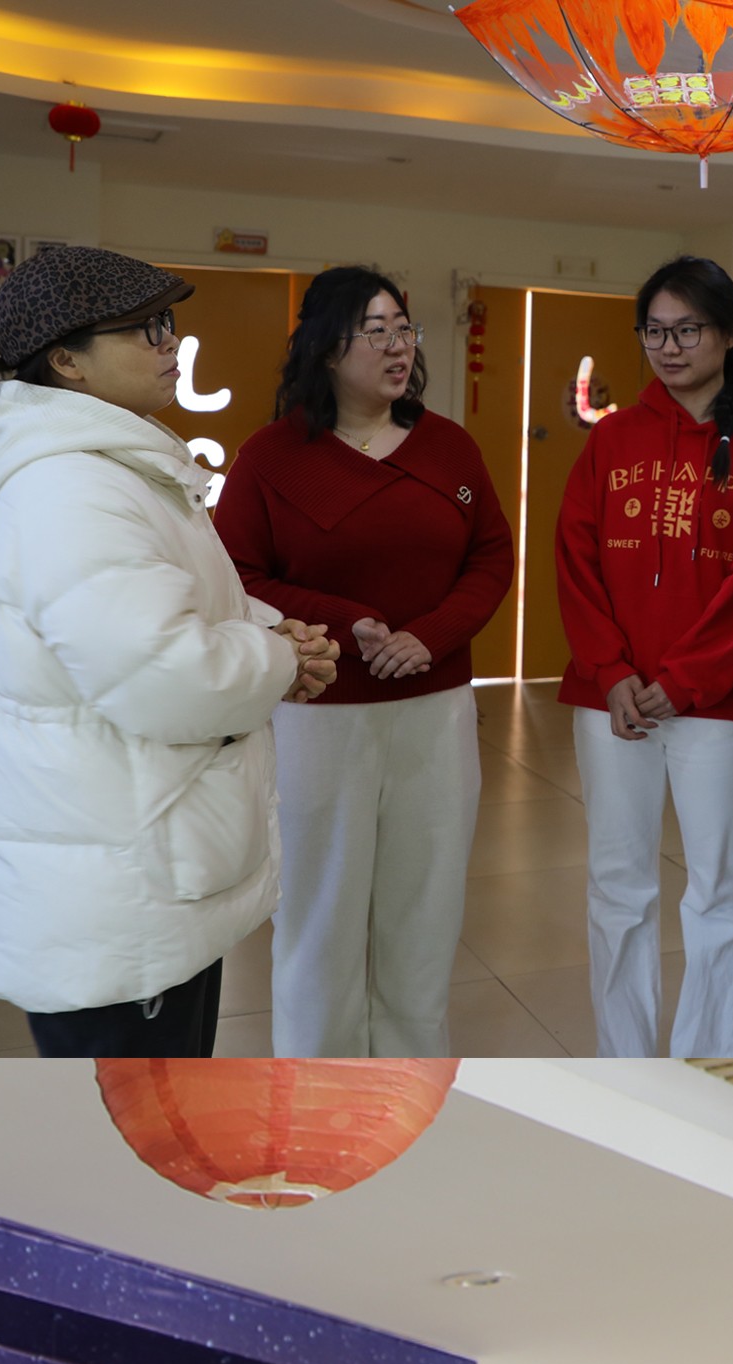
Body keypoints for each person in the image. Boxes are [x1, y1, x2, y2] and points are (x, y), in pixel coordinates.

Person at [0, 245, 337, 1056]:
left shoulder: (111, 467)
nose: (172, 343)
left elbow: (171, 604)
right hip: (117, 898)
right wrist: (279, 660)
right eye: (146, 329)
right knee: (127, 1118)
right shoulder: (70, 488)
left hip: (143, 865)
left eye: (169, 323)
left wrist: (273, 633)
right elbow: (167, 676)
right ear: (67, 361)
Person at [214, 267, 510, 1052]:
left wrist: (431, 635)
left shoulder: (449, 446)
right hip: (319, 712)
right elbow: (238, 574)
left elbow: (490, 557)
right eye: (375, 331)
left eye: (405, 329)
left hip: (435, 709)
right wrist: (349, 624)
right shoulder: (271, 457)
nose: (398, 346)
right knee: (320, 913)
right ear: (324, 347)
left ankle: (410, 1080)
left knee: (425, 908)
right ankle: (316, 1085)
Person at [552, 258, 733, 1054]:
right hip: (613, 699)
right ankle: (623, 1060)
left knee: (720, 889)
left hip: (719, 702)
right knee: (617, 886)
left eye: (687, 329)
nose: (668, 347)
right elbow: (575, 558)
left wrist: (687, 678)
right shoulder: (613, 437)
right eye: (654, 331)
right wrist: (611, 671)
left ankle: (714, 1064)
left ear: (729, 333)